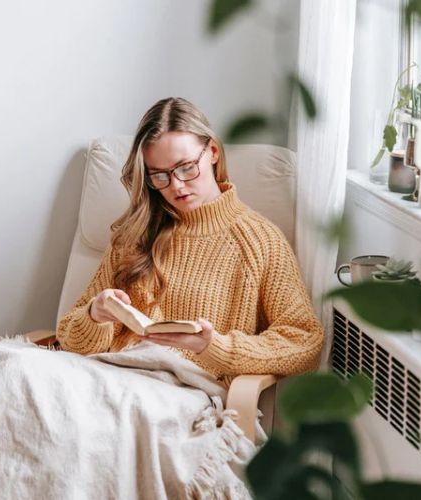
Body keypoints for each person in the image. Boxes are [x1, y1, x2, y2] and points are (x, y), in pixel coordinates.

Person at [57, 97, 323, 385]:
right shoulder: (136, 234)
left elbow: (304, 342)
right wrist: (95, 315)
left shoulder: (260, 241)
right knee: (7, 368)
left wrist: (212, 347)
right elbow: (70, 339)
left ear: (212, 152)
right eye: (159, 176)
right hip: (109, 378)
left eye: (185, 168)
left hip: (181, 394)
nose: (176, 186)